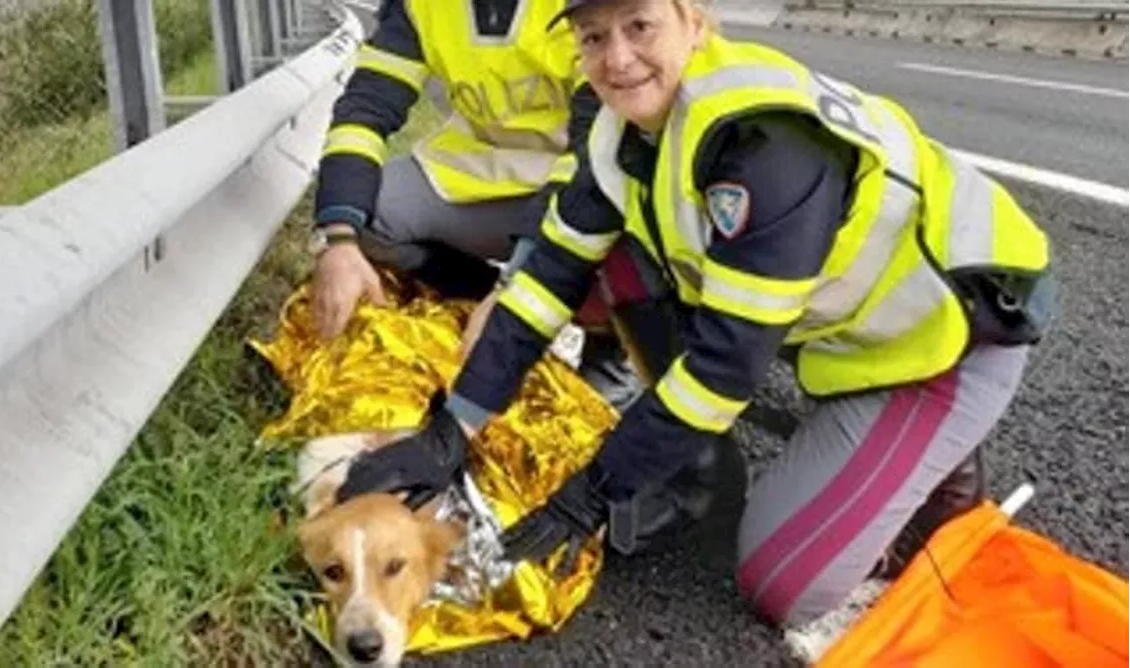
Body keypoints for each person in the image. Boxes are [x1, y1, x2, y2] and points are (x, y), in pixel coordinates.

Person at [333, 0, 1057, 629]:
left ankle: (940, 470)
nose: (617, 58)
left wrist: (589, 494)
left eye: (640, 26)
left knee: (781, 585)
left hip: (940, 345)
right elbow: (546, 277)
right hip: (825, 329)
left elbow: (720, 369)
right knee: (609, 258)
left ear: (695, 22)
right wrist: (453, 426)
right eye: (592, 37)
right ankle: (709, 462)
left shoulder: (760, 146)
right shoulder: (619, 137)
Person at [307, 0, 642, 409]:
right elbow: (364, 111)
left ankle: (611, 353)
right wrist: (339, 238)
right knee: (368, 212)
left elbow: (591, 149)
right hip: (478, 171)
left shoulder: (585, 9)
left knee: (630, 214)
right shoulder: (418, 7)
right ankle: (479, 303)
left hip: (578, 177)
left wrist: (517, 282)